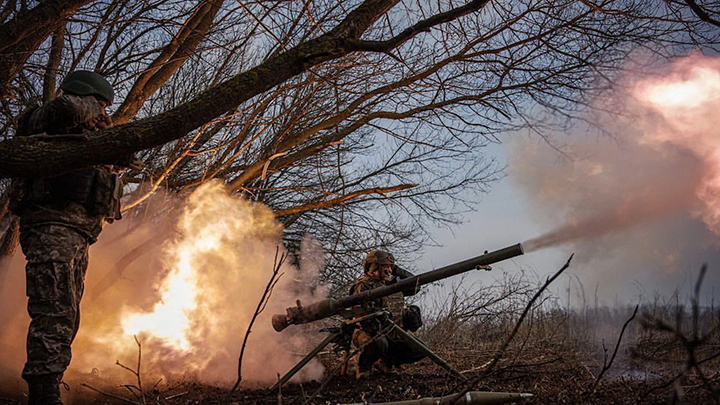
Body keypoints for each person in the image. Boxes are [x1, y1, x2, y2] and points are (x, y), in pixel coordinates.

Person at [10, 70, 124, 405]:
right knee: (53, 312)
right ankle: (43, 395)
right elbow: (70, 110)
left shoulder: (90, 135)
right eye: (100, 104)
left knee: (67, 314)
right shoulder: (44, 118)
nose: (103, 113)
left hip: (77, 234)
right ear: (85, 96)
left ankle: (49, 383)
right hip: (51, 228)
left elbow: (124, 158)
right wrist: (91, 108)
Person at [348, 250, 425, 379]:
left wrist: (396, 270)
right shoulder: (363, 286)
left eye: (390, 267)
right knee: (379, 343)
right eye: (385, 267)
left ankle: (386, 363)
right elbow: (363, 318)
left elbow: (415, 285)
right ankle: (363, 367)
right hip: (368, 334)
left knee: (420, 348)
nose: (389, 270)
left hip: (392, 331)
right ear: (374, 267)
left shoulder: (393, 284)